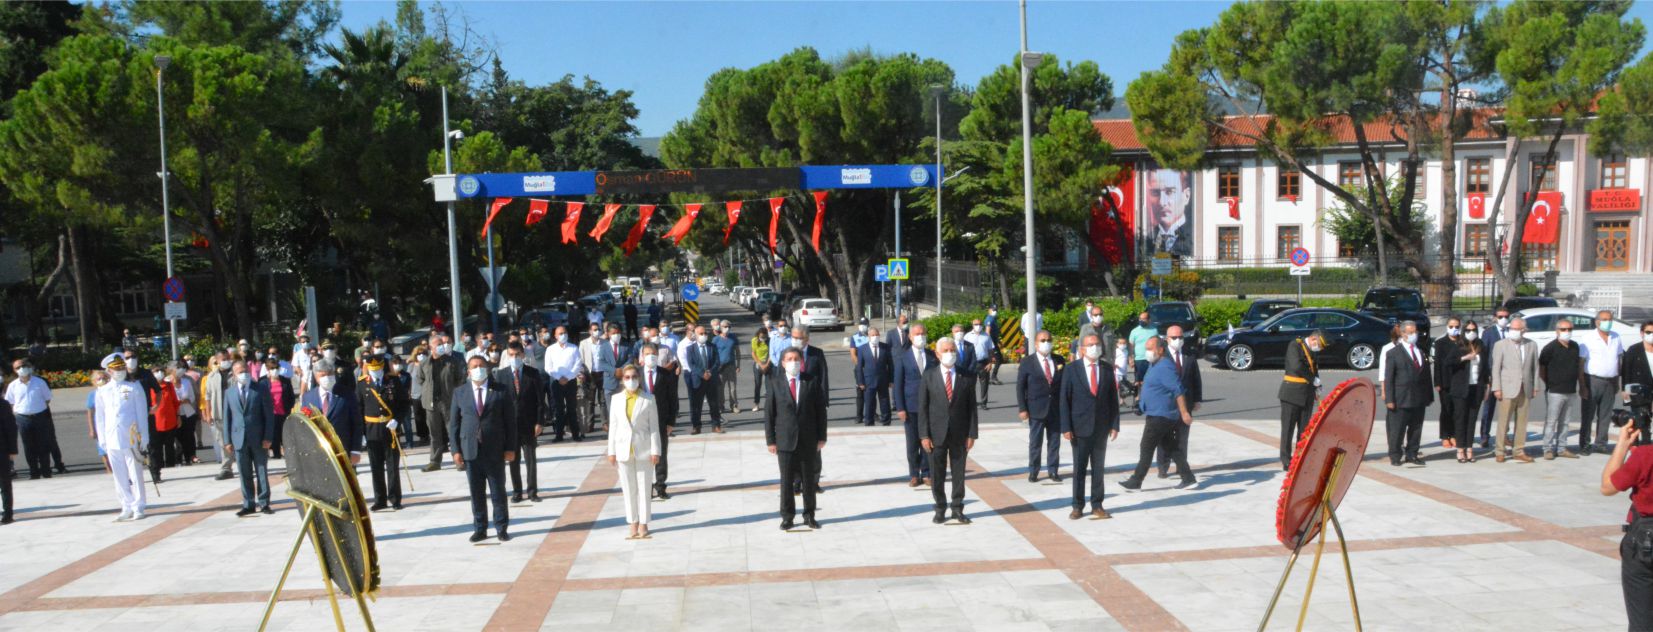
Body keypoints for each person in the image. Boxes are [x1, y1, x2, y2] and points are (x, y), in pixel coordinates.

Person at [450, 355, 517, 543]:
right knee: (476, 493)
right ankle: (480, 528)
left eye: (481, 366)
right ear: (468, 371)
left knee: (498, 491)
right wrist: (456, 450)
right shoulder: (460, 392)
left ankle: (501, 527)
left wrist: (510, 447)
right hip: (471, 450)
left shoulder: (500, 391)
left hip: (495, 449)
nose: (478, 369)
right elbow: (454, 424)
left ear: (487, 369)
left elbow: (510, 423)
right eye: (474, 366)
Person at [1121, 336, 1198, 490]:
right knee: (1172, 447)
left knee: (1146, 447)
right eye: (1146, 349)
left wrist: (1184, 413)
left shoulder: (1165, 366)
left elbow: (1178, 391)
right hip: (1156, 413)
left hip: (1161, 416)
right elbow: (1152, 388)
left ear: (1160, 350)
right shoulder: (1153, 364)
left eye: (1150, 349)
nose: (1147, 352)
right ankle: (1188, 478)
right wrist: (1141, 405)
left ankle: (1136, 480)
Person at [918, 338, 979, 525]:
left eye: (953, 350)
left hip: (960, 434)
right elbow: (923, 408)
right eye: (945, 350)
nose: (950, 353)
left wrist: (972, 434)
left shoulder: (967, 376)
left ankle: (957, 508)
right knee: (937, 473)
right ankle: (940, 508)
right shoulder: (929, 375)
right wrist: (924, 435)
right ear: (937, 354)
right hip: (936, 434)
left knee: (959, 473)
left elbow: (972, 408)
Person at [1600, 420, 1653, 629]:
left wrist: (1622, 446)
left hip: (1645, 542)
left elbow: (1608, 486)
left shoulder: (1646, 455)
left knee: (1642, 621)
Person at [1059, 332, 1118, 518]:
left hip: (1101, 427)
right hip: (1079, 427)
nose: (1095, 348)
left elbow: (1112, 399)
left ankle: (1097, 504)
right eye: (1091, 345)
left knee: (1098, 468)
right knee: (1080, 469)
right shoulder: (1071, 369)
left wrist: (1114, 424)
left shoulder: (1107, 369)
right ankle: (1077, 506)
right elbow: (1064, 400)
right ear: (1082, 349)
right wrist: (1066, 427)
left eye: (1097, 344)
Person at [767, 347, 827, 531]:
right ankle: (787, 517)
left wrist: (821, 437)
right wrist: (771, 440)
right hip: (785, 440)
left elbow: (820, 412)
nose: (793, 362)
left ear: (801, 362)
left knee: (809, 480)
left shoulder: (812, 382)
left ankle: (809, 515)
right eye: (789, 359)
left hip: (808, 440)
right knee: (786, 481)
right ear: (783, 363)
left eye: (796, 358)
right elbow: (769, 414)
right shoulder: (775, 383)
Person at [607, 364, 660, 540]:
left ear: (639, 378)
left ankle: (644, 522)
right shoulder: (616, 399)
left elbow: (654, 428)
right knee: (628, 489)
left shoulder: (648, 399)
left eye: (634, 377)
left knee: (644, 487)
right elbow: (613, 426)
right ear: (622, 380)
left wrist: (656, 450)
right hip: (623, 449)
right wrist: (611, 451)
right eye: (627, 377)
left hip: (643, 448)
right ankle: (633, 522)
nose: (631, 380)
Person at [96, 354, 148, 521]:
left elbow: (141, 413)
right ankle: (126, 505)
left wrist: (144, 435)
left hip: (131, 436)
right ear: (109, 371)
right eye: (116, 369)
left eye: (121, 368)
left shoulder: (133, 387)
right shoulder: (102, 391)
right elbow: (100, 417)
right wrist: (102, 439)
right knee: (118, 475)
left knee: (135, 472)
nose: (120, 371)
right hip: (112, 437)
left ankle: (139, 506)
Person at [223, 360, 275, 516]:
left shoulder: (260, 389)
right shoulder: (229, 392)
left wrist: (268, 436)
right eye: (239, 371)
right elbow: (227, 417)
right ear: (234, 374)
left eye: (245, 370)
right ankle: (248, 504)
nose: (243, 373)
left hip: (258, 437)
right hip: (239, 438)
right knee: (244, 472)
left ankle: (264, 502)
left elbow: (268, 415)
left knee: (261, 471)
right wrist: (227, 440)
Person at [499, 342, 546, 503]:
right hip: (510, 426)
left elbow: (540, 400)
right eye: (511, 355)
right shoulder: (501, 375)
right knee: (513, 460)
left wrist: (539, 422)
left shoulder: (533, 373)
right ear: (507, 355)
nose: (514, 358)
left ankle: (532, 491)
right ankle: (517, 491)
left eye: (517, 354)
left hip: (529, 424)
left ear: (523, 355)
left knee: (530, 459)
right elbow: (498, 403)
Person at [1154, 325, 1202, 479]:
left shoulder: (1189, 356)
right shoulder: (1161, 356)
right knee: (1164, 437)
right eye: (1174, 337)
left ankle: (1182, 466)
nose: (1178, 340)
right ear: (1167, 339)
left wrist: (1197, 399)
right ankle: (1163, 466)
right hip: (1166, 405)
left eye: (1180, 337)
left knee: (1182, 437)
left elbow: (1195, 379)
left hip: (1185, 404)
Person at [357, 356, 405, 511]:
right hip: (371, 430)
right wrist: (361, 433)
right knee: (375, 467)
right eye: (372, 369)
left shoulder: (393, 381)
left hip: (390, 429)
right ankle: (380, 499)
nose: (375, 372)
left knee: (392, 467)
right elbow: (358, 409)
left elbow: (404, 403)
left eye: (378, 369)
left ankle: (395, 498)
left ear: (383, 367)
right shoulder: (362, 383)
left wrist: (397, 419)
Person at [1384, 321, 1434, 466]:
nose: (1414, 335)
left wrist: (1429, 396)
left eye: (1415, 332)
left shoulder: (1421, 351)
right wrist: (1389, 399)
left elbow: (1426, 376)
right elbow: (1389, 378)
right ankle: (1395, 455)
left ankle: (1412, 453)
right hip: (1401, 398)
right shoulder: (1393, 353)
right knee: (1397, 429)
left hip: (1419, 397)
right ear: (1403, 334)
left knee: (1416, 428)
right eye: (1410, 332)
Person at [1490, 317, 1538, 463]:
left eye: (1517, 329)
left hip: (1525, 387)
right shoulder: (1501, 345)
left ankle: (1519, 450)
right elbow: (1496, 368)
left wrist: (1535, 386)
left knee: (1522, 422)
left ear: (1523, 330)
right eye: (1512, 328)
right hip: (1507, 388)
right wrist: (1496, 388)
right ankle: (1500, 451)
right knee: (1503, 421)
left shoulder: (1531, 345)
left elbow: (1535, 368)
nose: (1514, 331)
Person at [635, 343, 679, 501]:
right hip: (640, 422)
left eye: (653, 353)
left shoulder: (665, 374)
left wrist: (671, 422)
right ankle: (644, 486)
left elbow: (672, 398)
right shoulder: (636, 374)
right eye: (647, 353)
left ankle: (660, 485)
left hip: (660, 420)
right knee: (642, 454)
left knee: (660, 453)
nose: (650, 356)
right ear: (642, 356)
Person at [1581, 310, 1628, 455]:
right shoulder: (1588, 337)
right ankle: (1585, 444)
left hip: (1610, 381)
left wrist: (1618, 381)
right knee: (1588, 415)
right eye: (1604, 319)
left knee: (1606, 415)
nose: (1608, 322)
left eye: (1610, 319)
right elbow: (1580, 362)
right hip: (1592, 380)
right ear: (1597, 321)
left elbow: (1619, 360)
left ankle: (1601, 443)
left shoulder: (1616, 337)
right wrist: (1582, 385)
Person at [894, 323, 936, 487]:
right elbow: (898, 385)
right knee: (912, 442)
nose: (921, 337)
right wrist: (900, 408)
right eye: (917, 334)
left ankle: (926, 472)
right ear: (910, 337)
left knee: (927, 440)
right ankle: (914, 473)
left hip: (930, 406)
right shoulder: (903, 358)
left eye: (923, 333)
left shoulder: (932, 356)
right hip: (910, 406)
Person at [1538, 320, 1585, 460]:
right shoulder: (1550, 348)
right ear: (1557, 331)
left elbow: (1578, 367)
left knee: (1565, 422)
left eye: (1569, 329)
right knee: (1551, 421)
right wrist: (1550, 383)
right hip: (1555, 391)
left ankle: (1562, 448)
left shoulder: (1575, 346)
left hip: (1570, 390)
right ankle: (1547, 448)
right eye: (1563, 329)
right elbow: (1542, 369)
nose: (1567, 332)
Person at [1278, 332, 1324, 470]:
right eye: (1319, 345)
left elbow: (1314, 369)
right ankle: (1286, 460)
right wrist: (1312, 379)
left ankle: (1300, 457)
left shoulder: (1312, 352)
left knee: (1304, 430)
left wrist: (1318, 385)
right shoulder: (1295, 345)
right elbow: (1296, 366)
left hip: (1307, 395)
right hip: (1291, 394)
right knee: (1288, 429)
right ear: (1314, 338)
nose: (1319, 348)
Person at [1443, 322, 1487, 463]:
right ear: (1464, 331)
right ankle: (1460, 449)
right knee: (1461, 419)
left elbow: (1486, 367)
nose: (1471, 332)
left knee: (1472, 419)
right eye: (1468, 330)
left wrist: (1487, 386)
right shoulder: (1458, 346)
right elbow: (1447, 363)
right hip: (1461, 388)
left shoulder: (1481, 345)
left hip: (1477, 387)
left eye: (1474, 329)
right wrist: (1464, 358)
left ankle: (1469, 449)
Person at [420, 335, 465, 471]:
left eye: (442, 344)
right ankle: (435, 461)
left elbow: (460, 379)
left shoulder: (452, 361)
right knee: (434, 433)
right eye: (438, 344)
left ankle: (459, 460)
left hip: (449, 401)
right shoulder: (424, 363)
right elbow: (421, 379)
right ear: (430, 347)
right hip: (431, 402)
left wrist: (453, 393)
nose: (442, 346)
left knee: (453, 431)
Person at [3, 360, 53, 479]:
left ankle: (46, 471)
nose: (22, 368)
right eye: (18, 367)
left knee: (43, 445)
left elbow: (47, 399)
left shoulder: (39, 382)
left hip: (40, 416)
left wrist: (36, 409)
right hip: (22, 418)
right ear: (14, 371)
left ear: (29, 367)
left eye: (24, 366)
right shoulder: (13, 385)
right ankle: (34, 472)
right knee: (29, 447)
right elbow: (10, 403)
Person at [1477, 307, 1514, 447]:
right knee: (1488, 407)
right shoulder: (1489, 333)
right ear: (1495, 318)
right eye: (1500, 316)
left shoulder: (1511, 332)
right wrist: (1486, 376)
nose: (1503, 319)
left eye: (1506, 316)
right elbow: (1484, 355)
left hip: (1508, 375)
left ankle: (1504, 435)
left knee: (1507, 408)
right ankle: (1484, 435)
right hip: (1492, 375)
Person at [543, 327, 582, 443]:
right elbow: (548, 367)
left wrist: (568, 377)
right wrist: (559, 378)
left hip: (571, 382)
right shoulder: (550, 349)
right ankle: (559, 435)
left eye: (565, 333)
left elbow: (578, 364)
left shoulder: (573, 348)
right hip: (556, 382)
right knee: (558, 409)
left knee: (572, 408)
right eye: (560, 333)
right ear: (555, 336)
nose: (563, 335)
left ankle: (576, 434)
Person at [684, 325, 724, 434]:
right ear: (695, 335)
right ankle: (696, 426)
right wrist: (702, 374)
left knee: (714, 403)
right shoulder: (690, 348)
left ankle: (716, 425)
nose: (704, 335)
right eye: (701, 334)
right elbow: (691, 364)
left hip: (711, 379)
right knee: (696, 405)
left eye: (705, 333)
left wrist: (710, 372)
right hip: (697, 380)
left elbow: (717, 361)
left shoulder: (712, 346)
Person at [1433, 317, 1465, 449]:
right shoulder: (1441, 343)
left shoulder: (1462, 342)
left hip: (1459, 380)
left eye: (1456, 326)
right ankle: (1445, 435)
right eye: (1451, 326)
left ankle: (1454, 435)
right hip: (1445, 381)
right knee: (1446, 409)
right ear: (1447, 326)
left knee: (1458, 410)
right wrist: (1437, 382)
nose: (1454, 329)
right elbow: (1437, 364)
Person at [201, 354, 235, 480]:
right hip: (219, 412)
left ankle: (244, 464)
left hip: (235, 412)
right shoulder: (212, 376)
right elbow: (208, 396)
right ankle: (226, 468)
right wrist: (208, 413)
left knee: (239, 439)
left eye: (227, 359)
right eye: (222, 360)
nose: (225, 362)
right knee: (222, 441)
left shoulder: (235, 373)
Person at [1147, 168, 1193, 258]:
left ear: (1186, 196)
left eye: (1170, 192)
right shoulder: (1147, 238)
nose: (1161, 202)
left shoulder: (1193, 235)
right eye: (1155, 193)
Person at [856, 326, 893, 426]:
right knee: (869, 403)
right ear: (868, 336)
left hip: (883, 380)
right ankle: (869, 422)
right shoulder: (862, 349)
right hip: (868, 381)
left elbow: (890, 365)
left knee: (885, 401)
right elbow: (859, 367)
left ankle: (886, 421)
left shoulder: (885, 347)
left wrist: (891, 380)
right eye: (873, 335)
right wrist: (860, 382)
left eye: (877, 335)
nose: (875, 337)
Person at [262, 358, 294, 459]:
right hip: (270, 413)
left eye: (276, 368)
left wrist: (289, 408)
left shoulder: (285, 381)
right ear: (267, 369)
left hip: (283, 411)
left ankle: (288, 453)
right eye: (272, 368)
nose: (274, 370)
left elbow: (291, 396)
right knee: (273, 433)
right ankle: (276, 453)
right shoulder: (263, 382)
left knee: (284, 433)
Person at [151, 366, 179, 473]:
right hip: (156, 422)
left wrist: (178, 416)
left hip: (170, 420)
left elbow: (175, 402)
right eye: (156, 371)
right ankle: (158, 467)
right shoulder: (150, 387)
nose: (159, 373)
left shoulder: (169, 385)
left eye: (161, 371)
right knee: (157, 447)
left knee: (170, 446)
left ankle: (170, 466)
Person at [579, 323, 606, 432]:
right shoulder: (584, 343)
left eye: (598, 329)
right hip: (589, 375)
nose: (597, 331)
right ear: (590, 331)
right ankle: (589, 425)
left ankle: (605, 424)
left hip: (602, 373)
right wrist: (581, 374)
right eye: (594, 330)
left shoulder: (605, 343)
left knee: (603, 400)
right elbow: (580, 360)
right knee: (590, 400)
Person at [962, 318, 995, 408]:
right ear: (972, 325)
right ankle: (971, 402)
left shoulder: (986, 336)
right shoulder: (967, 336)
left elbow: (990, 350)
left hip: (983, 362)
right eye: (976, 324)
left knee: (984, 384)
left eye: (980, 324)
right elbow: (964, 350)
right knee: (970, 384)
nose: (978, 326)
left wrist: (990, 362)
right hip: (971, 363)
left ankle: (984, 403)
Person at [717, 320, 741, 415]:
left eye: (728, 327)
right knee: (720, 388)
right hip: (720, 368)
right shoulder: (716, 340)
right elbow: (713, 354)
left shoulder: (733, 337)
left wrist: (738, 365)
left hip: (731, 366)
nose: (726, 329)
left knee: (733, 388)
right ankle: (721, 406)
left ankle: (734, 405)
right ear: (720, 327)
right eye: (724, 327)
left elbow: (737, 352)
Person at [1127, 311, 1157, 386]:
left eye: (1144, 319)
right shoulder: (1134, 331)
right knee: (1138, 382)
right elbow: (1131, 346)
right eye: (1140, 319)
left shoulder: (1154, 330)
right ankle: (1138, 397)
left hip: (1151, 359)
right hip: (1139, 360)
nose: (1141, 321)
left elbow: (1157, 344)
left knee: (1150, 380)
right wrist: (1131, 359)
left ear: (1149, 320)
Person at [750, 326, 771, 413]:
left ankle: (769, 404)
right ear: (758, 335)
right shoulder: (754, 340)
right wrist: (760, 364)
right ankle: (756, 403)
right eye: (761, 337)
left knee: (768, 385)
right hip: (758, 364)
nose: (763, 339)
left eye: (764, 337)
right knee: (757, 384)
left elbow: (771, 353)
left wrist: (766, 364)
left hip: (768, 364)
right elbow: (753, 353)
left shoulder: (770, 341)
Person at [0, 397, 13, 524]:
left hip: (2, 449)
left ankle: (8, 513)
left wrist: (12, 450)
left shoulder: (3, 405)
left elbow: (10, 427)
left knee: (4, 483)